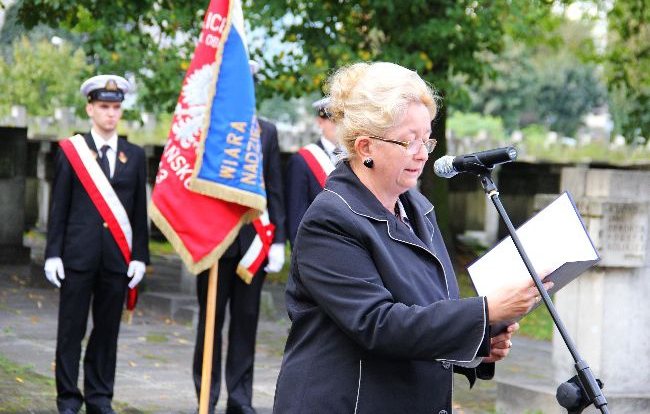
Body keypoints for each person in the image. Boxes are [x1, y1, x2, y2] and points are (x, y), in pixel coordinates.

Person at [272, 62, 553, 414]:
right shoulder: (331, 220)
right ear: (365, 147)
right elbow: (379, 325)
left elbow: (428, 311)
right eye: (408, 140)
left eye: (427, 139)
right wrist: (484, 311)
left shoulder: (419, 209)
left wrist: (479, 341)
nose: (423, 153)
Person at [44, 74, 150, 414]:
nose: (110, 114)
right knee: (70, 331)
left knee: (107, 333)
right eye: (104, 106)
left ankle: (100, 397)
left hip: (116, 258)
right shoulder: (72, 152)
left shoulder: (133, 155)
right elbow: (59, 205)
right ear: (90, 108)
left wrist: (140, 257)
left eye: (116, 107)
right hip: (77, 255)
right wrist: (53, 253)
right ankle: (67, 399)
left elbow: (138, 210)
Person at [192, 114, 287, 414]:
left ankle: (240, 397)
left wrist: (279, 240)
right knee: (210, 322)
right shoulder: (208, 124)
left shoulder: (266, 131)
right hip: (214, 243)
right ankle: (206, 393)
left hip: (253, 242)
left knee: (246, 323)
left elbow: (274, 186)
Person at [284, 97, 339, 247]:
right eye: (335, 119)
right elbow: (297, 215)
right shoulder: (301, 161)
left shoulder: (358, 159)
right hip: (319, 247)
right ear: (320, 122)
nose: (341, 125)